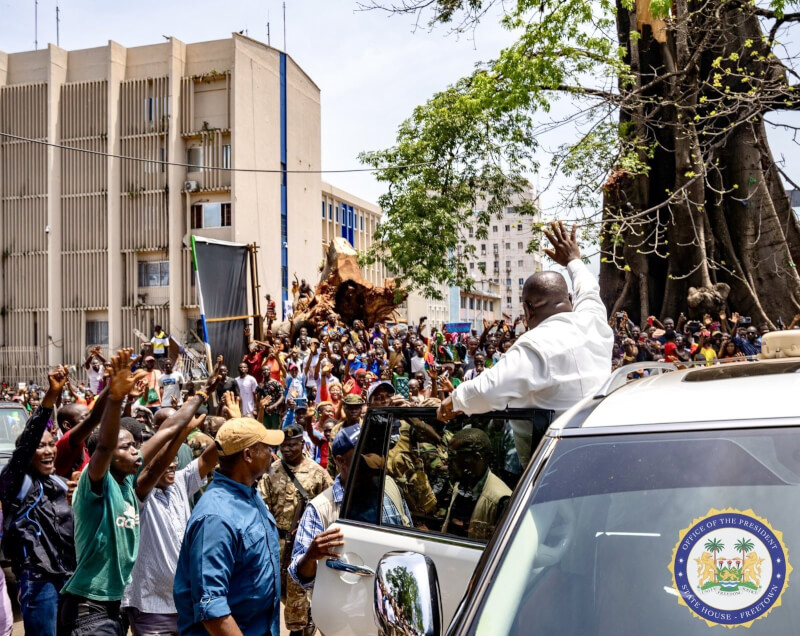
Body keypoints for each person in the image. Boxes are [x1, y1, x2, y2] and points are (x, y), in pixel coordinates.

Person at [60, 348, 193, 635]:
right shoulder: (95, 482)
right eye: (126, 447)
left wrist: (198, 399)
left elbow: (166, 433)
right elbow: (106, 447)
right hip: (88, 608)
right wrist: (115, 398)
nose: (134, 452)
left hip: (112, 607)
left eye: (135, 445)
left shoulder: (127, 482)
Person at [438, 221, 614, 421]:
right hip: (601, 437)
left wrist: (455, 400)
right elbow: (589, 290)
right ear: (570, 300)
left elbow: (489, 389)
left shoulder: (535, 345)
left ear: (528, 310)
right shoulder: (594, 323)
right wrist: (574, 260)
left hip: (551, 448)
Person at [122, 368, 221, 636]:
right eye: (166, 460)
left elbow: (209, 458)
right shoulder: (137, 489)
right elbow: (155, 468)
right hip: (151, 606)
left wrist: (233, 427)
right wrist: (179, 433)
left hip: (186, 602)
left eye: (175, 460)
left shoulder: (180, 481)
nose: (172, 463)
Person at [174, 418, 285, 636]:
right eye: (266, 448)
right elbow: (212, 608)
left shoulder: (250, 494)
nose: (273, 454)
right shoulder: (216, 518)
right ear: (248, 455)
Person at [288, 425, 410, 591]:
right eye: (363, 453)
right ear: (340, 461)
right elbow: (299, 576)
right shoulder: (320, 509)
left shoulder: (390, 487)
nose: (374, 458)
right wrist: (310, 556)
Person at [0, 366, 73, 635]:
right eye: (40, 446)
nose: (48, 450)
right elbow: (27, 442)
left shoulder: (61, 482)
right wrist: (49, 399)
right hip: (39, 582)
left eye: (51, 444)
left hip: (69, 578)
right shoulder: (14, 482)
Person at [258, 424, 332, 636]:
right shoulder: (271, 471)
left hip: (303, 547)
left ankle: (303, 628)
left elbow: (329, 507)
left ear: (302, 444)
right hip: (276, 544)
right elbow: (262, 507)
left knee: (299, 600)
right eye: (284, 445)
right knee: (276, 595)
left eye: (292, 444)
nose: (287, 449)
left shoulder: (318, 473)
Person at [441, 428, 512, 540]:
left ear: (475, 458)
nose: (447, 462)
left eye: (453, 456)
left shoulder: (501, 500)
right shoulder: (461, 486)